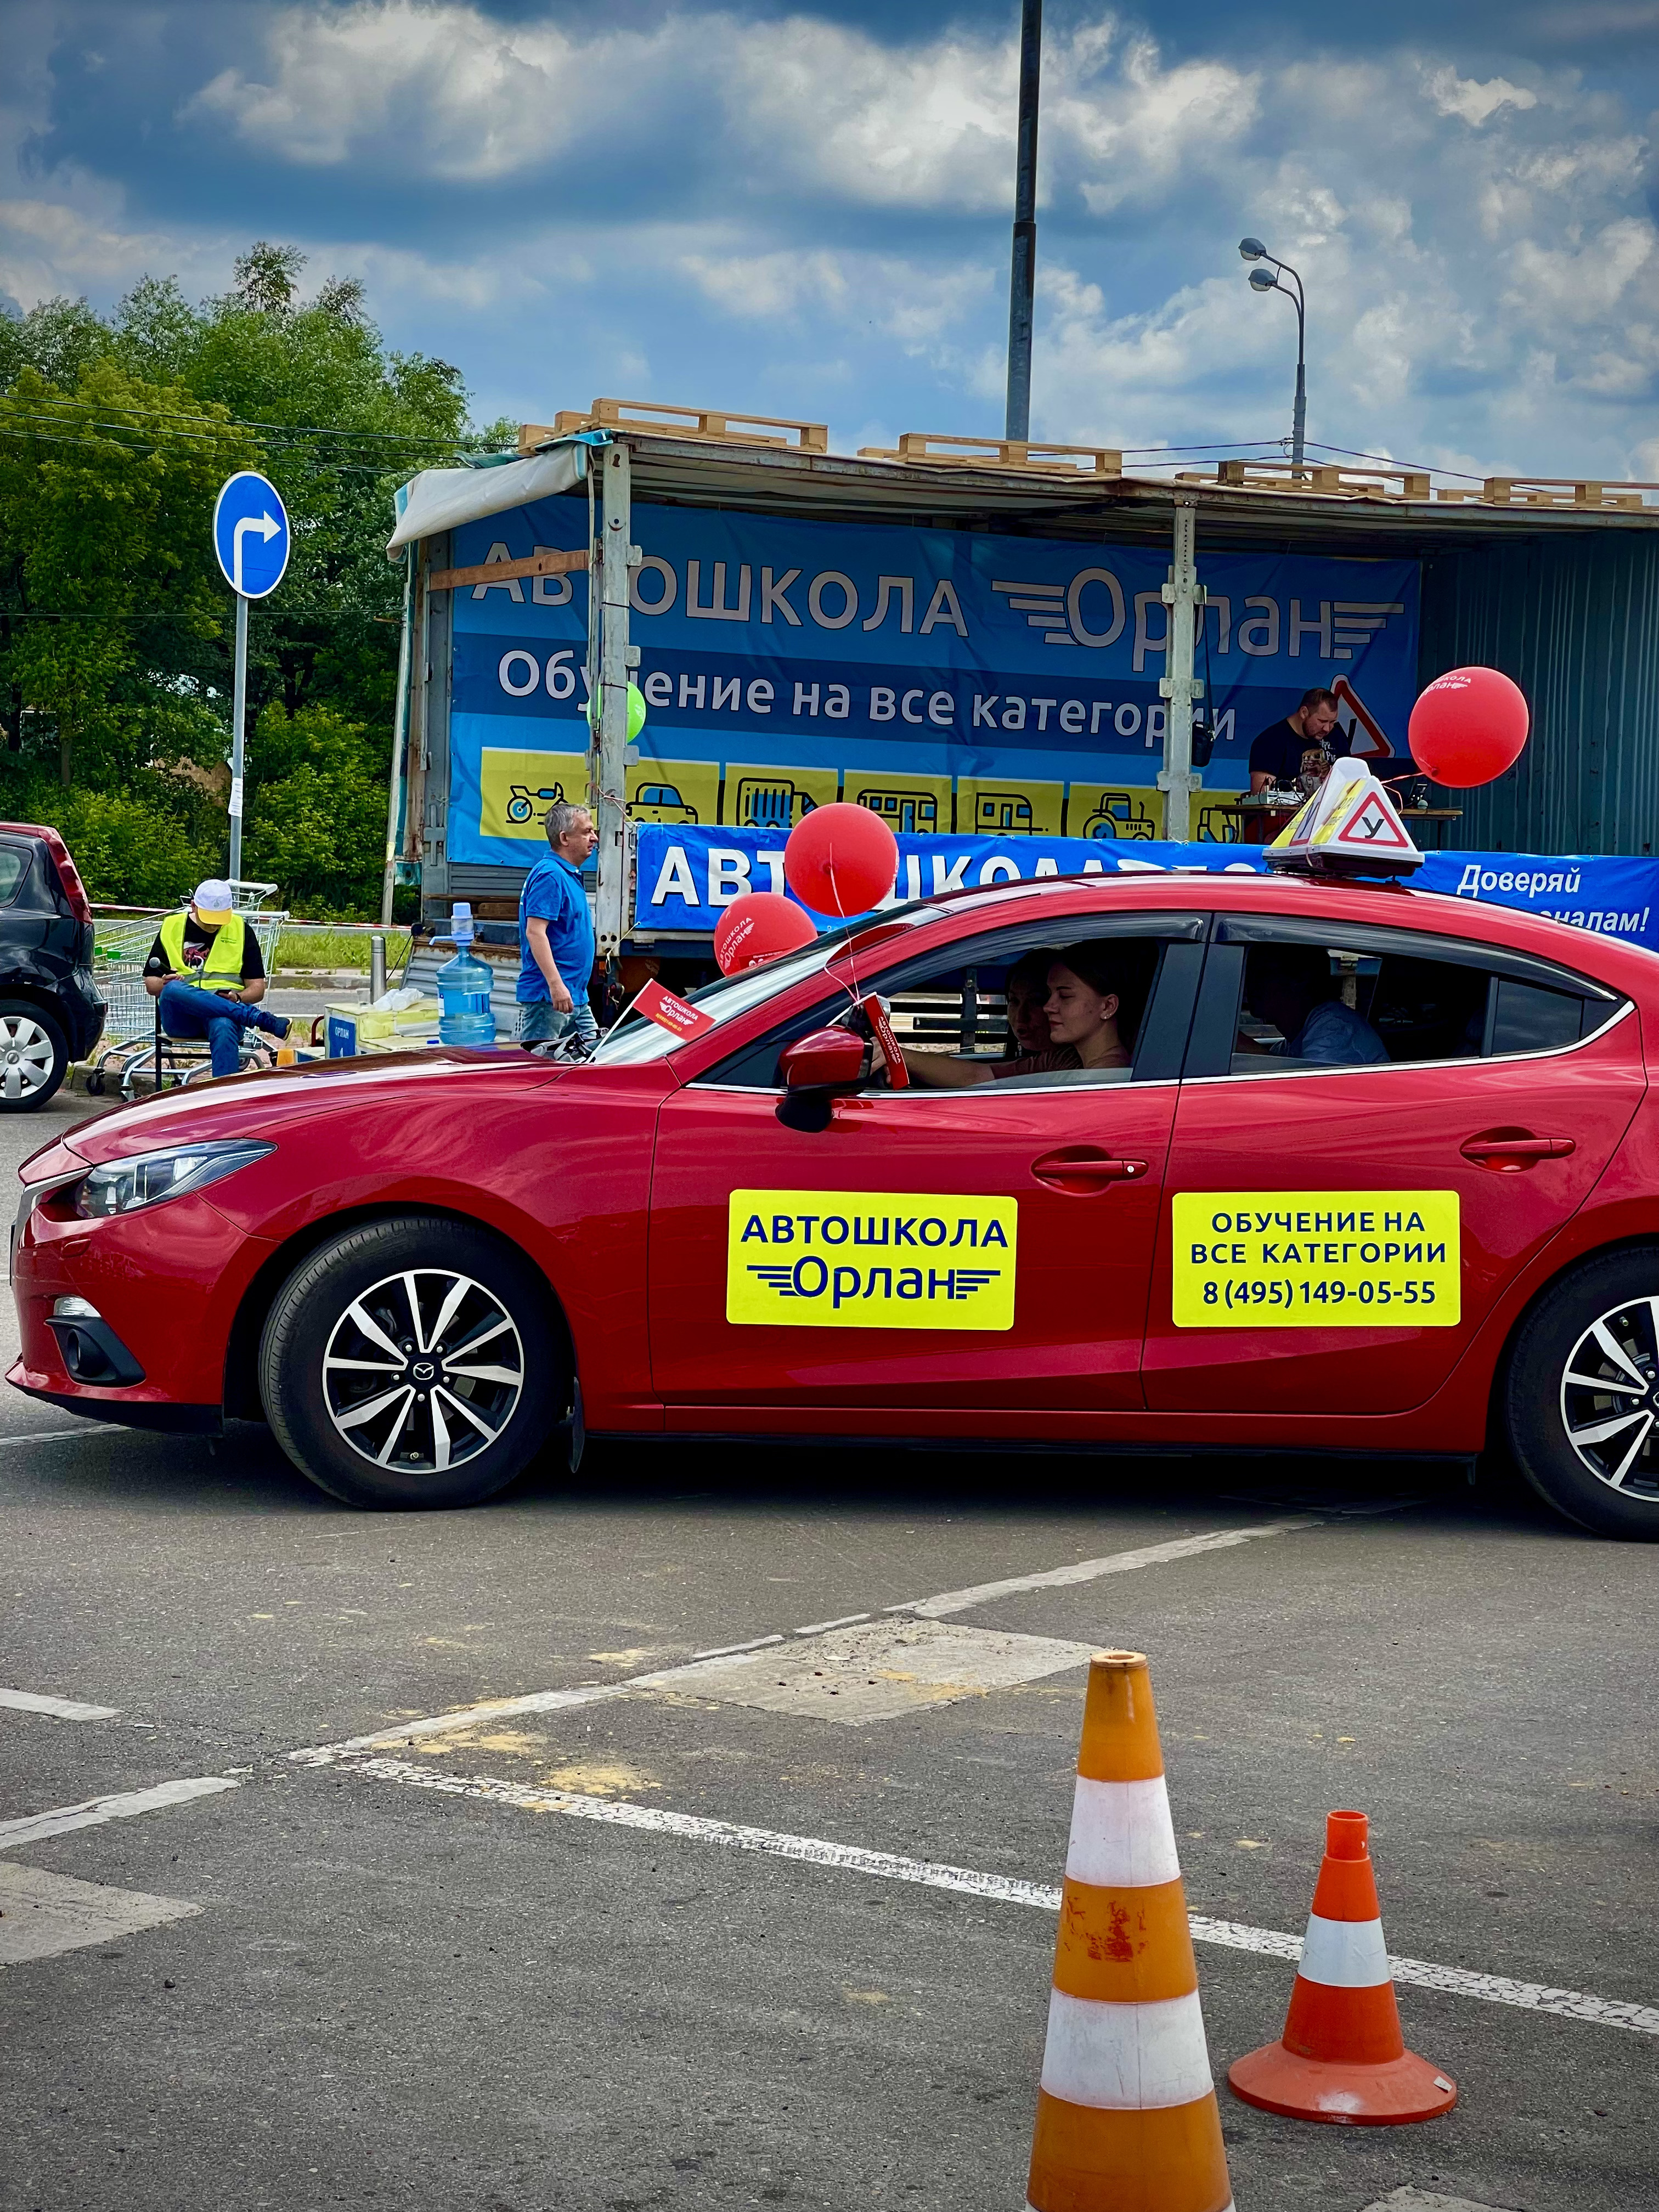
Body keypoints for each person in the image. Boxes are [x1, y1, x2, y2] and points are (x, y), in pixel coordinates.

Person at [891, 945, 1129, 1089]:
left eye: (1065, 996)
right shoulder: (1067, 1061)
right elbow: (982, 1077)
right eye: (1049, 995)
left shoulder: (1105, 1079)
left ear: (1108, 1006)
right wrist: (897, 1055)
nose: (1049, 1007)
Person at [144, 880, 297, 1079]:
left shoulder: (241, 930)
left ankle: (225, 1093)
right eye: (209, 918)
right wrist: (164, 981)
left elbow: (257, 989)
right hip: (181, 1019)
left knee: (224, 1025)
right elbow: (151, 984)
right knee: (172, 988)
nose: (214, 924)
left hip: (223, 1016)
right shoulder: (172, 927)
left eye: (220, 919)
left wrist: (238, 997)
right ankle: (257, 1018)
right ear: (193, 906)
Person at [517, 799, 600, 1052]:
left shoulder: (566, 874)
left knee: (596, 1057)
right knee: (535, 1066)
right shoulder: (550, 875)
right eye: (586, 832)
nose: (594, 838)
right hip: (551, 999)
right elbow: (535, 932)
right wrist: (556, 985)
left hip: (575, 996)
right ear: (564, 838)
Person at [1243, 944, 1388, 1066]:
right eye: (1248, 974)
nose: (1249, 984)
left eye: (1262, 973)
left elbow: (1307, 1087)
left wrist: (1245, 1046)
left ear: (1301, 980)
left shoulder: (1336, 1030)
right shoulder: (1290, 1045)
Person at [1249, 687, 1343, 792]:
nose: (1327, 729)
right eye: (1322, 721)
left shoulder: (1337, 738)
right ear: (1304, 712)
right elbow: (1262, 796)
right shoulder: (1270, 741)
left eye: (1332, 722)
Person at [1001, 947, 1077, 1063]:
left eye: (1036, 1001)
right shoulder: (1042, 1064)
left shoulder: (1070, 1063)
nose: (1020, 1017)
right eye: (1014, 1001)